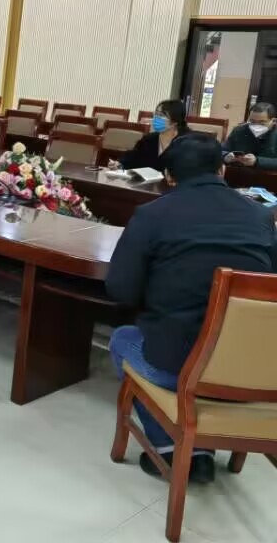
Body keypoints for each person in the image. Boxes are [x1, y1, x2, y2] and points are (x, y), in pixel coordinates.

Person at [107, 134, 277, 484]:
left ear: (169, 176)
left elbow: (121, 290)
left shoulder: (153, 215)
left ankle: (173, 447)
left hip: (181, 369)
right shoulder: (262, 217)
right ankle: (202, 445)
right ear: (222, 170)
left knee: (123, 339)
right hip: (253, 370)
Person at [114, 99, 190, 171]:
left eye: (161, 115)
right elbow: (133, 157)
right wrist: (120, 164)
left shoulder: (187, 142)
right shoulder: (149, 139)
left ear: (175, 121)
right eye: (156, 114)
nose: (156, 118)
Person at [223, 102, 277, 170]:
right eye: (252, 121)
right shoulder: (239, 131)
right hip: (238, 172)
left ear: (273, 121)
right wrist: (226, 156)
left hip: (267, 174)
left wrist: (257, 161)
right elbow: (221, 151)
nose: (256, 125)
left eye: (262, 122)